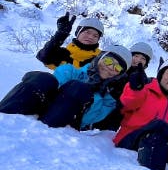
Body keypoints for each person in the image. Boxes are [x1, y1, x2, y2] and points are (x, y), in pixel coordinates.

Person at [0, 45, 131, 130]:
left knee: (80, 88)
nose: (110, 67)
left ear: (119, 75)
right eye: (108, 61)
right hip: (43, 107)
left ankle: (45, 132)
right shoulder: (70, 70)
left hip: (61, 124)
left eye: (117, 67)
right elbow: (50, 90)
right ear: (99, 58)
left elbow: (87, 120)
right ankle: (5, 119)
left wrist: (94, 92)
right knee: (43, 78)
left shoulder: (108, 99)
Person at [37, 12, 104, 69]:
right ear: (78, 33)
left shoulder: (101, 58)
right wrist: (60, 35)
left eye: (95, 36)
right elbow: (44, 56)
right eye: (87, 32)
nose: (90, 37)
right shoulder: (65, 53)